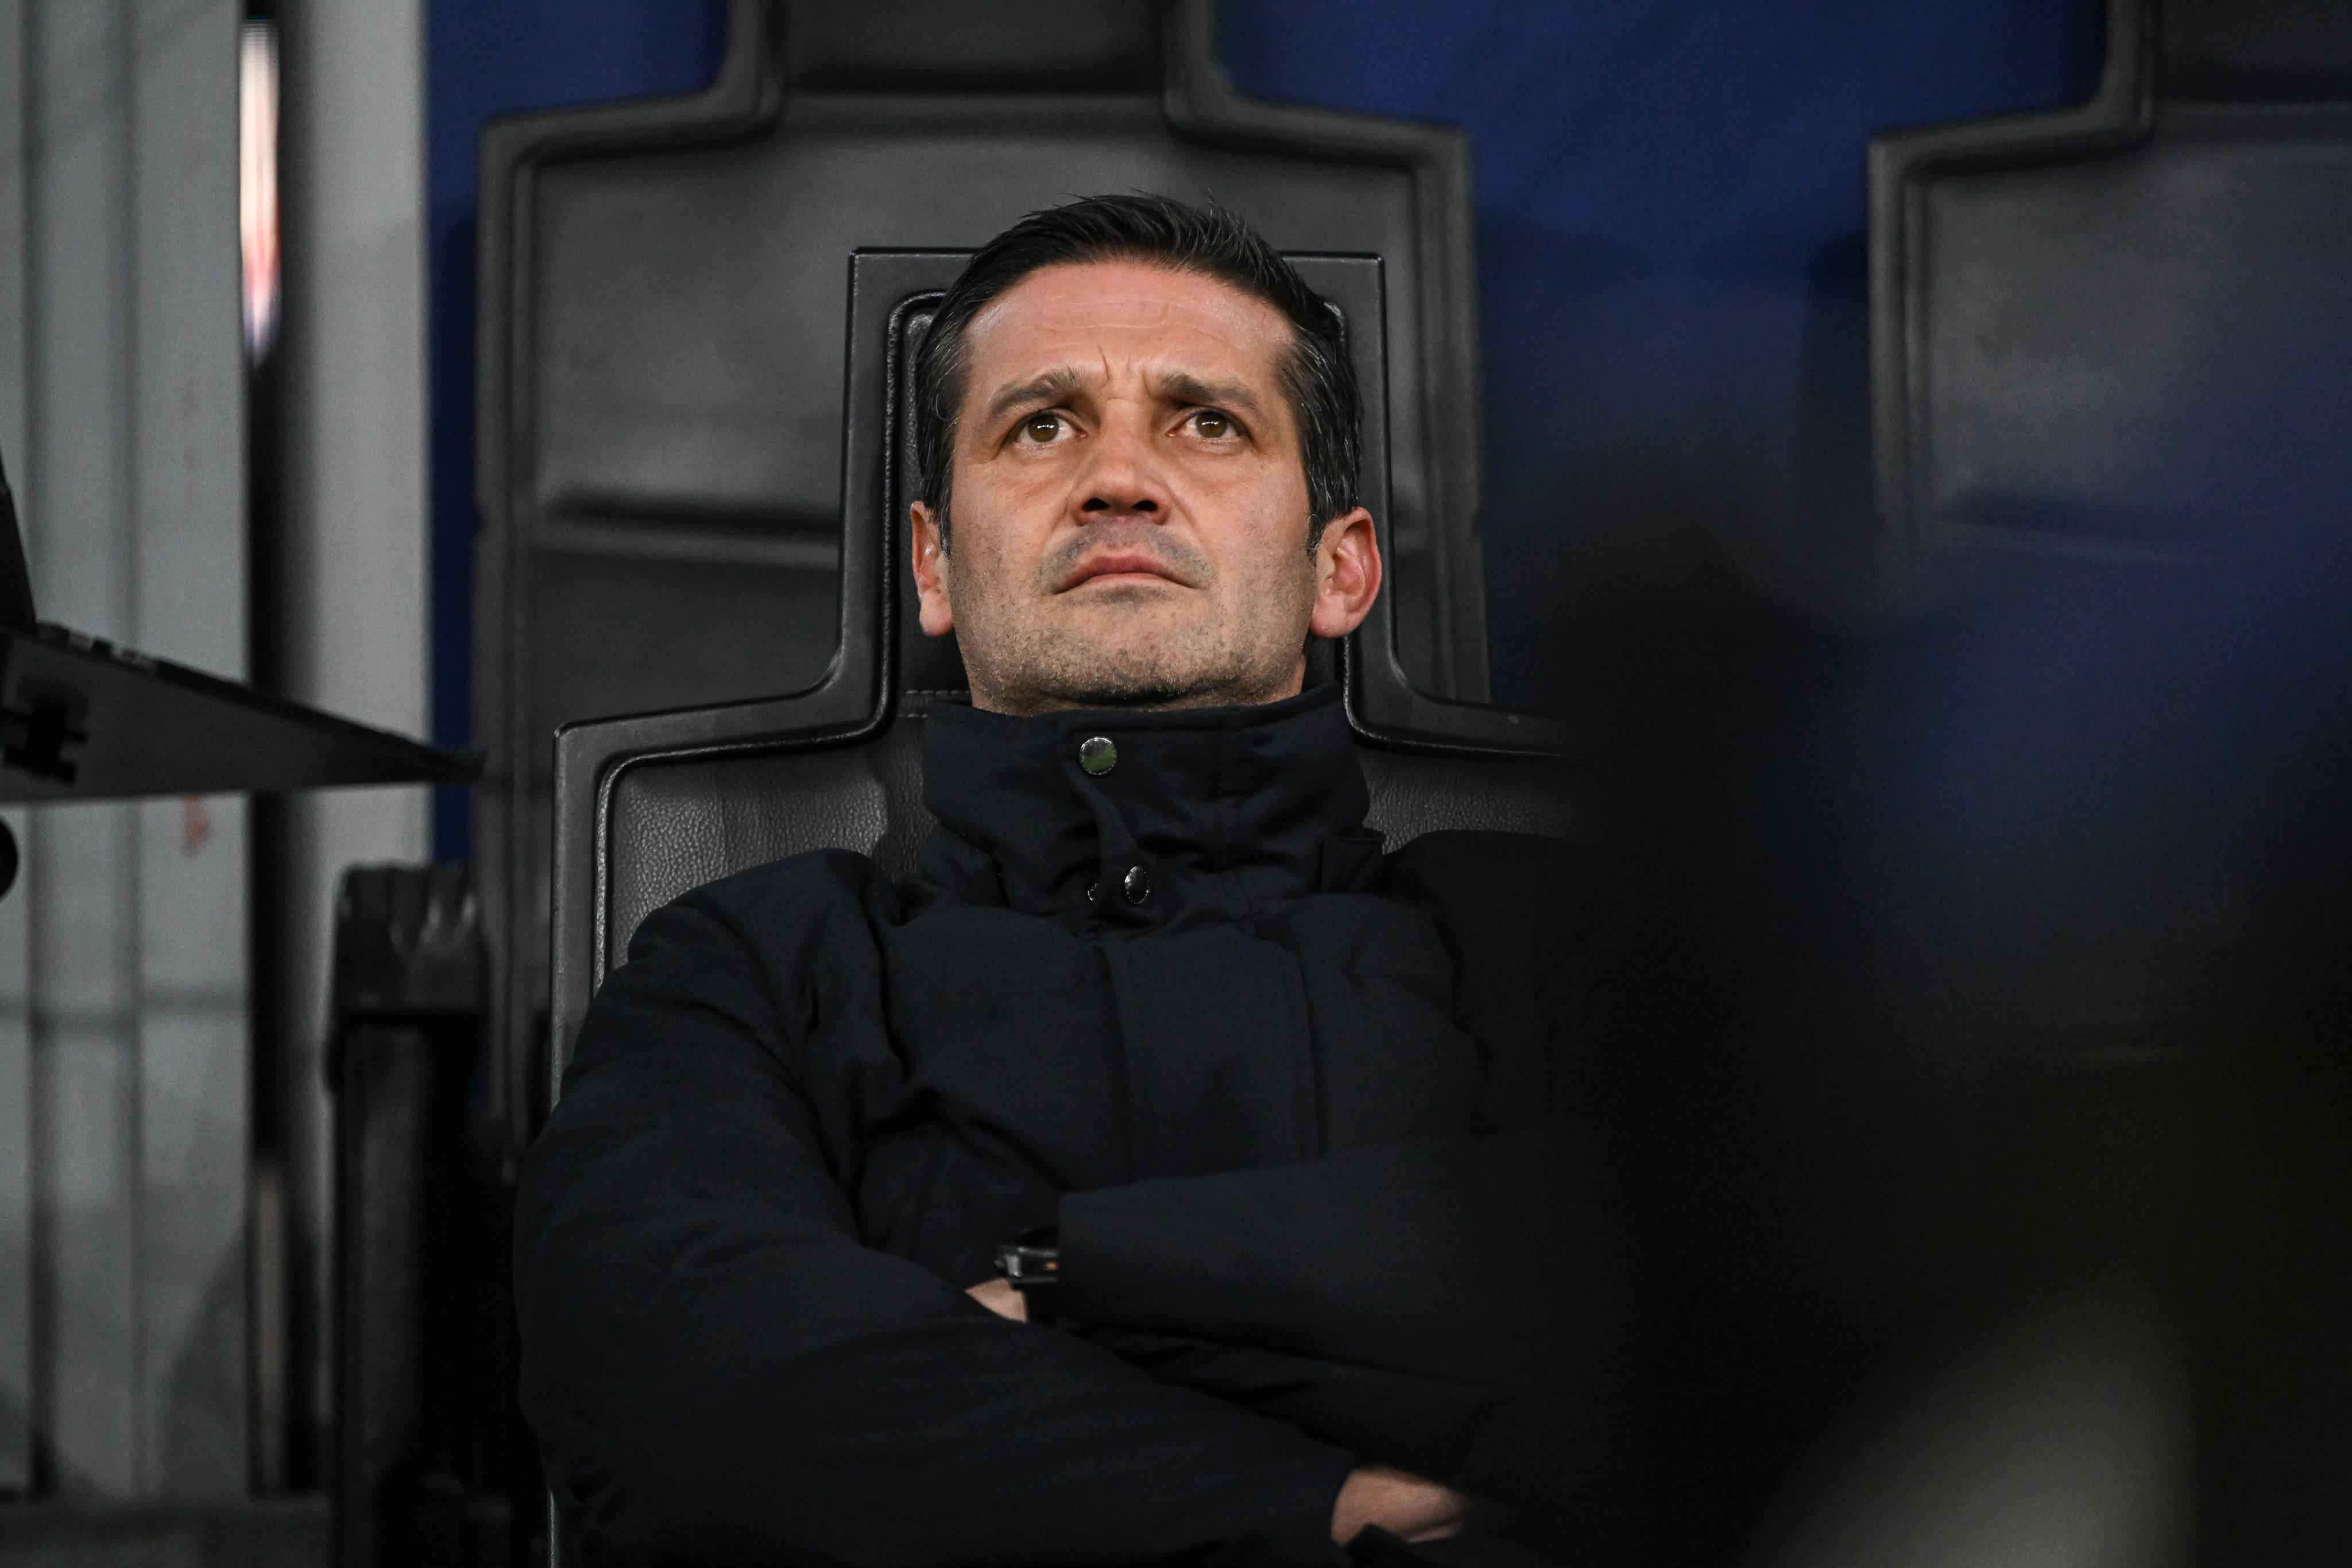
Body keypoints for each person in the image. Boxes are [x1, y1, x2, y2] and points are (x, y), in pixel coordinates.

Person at [516, 194, 1625, 1568]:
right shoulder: (750, 966)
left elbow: (1700, 1296)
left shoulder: (1547, 934)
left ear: (1339, 570)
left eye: (1205, 423)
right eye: (1040, 427)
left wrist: (1068, 1278)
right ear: (933, 566)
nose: (1117, 480)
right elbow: (682, 1394)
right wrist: (1327, 1511)